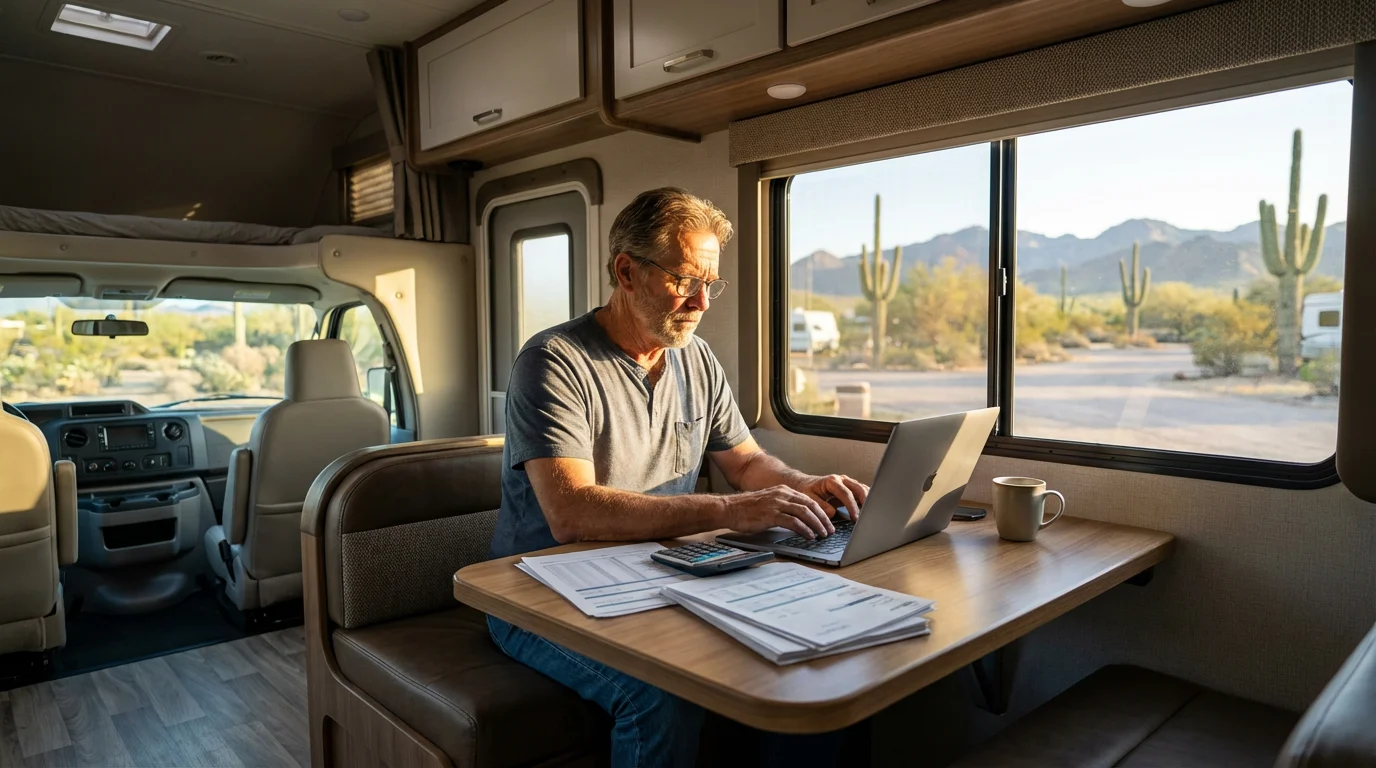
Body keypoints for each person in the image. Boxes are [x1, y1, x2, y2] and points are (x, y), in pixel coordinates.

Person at [488, 187, 870, 768]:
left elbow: (745, 463)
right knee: (660, 695)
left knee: (810, 659)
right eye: (685, 279)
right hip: (540, 595)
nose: (702, 301)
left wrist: (801, 485)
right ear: (626, 271)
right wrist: (730, 512)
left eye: (710, 283)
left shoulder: (696, 358)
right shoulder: (553, 362)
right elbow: (573, 514)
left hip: (665, 572)